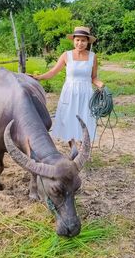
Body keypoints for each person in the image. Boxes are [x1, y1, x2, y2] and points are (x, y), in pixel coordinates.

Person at [32, 26, 104, 159]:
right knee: (68, 117)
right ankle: (73, 147)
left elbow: (93, 77)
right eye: (77, 40)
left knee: (85, 118)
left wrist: (100, 84)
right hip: (70, 92)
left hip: (86, 93)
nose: (80, 43)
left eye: (83, 40)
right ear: (73, 40)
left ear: (88, 42)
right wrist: (39, 77)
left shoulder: (93, 57)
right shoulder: (67, 55)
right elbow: (53, 72)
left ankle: (83, 148)